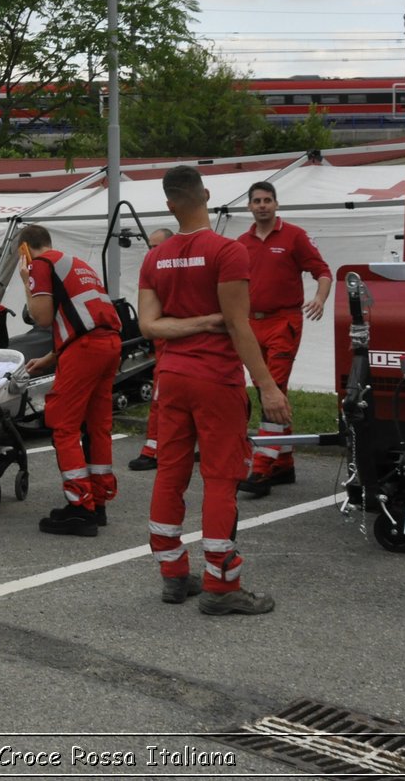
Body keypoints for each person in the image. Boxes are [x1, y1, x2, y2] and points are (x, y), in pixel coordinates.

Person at [138, 164, 292, 616]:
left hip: (172, 378)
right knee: (221, 479)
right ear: (205, 194)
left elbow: (150, 324)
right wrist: (268, 387)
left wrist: (186, 325)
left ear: (169, 204)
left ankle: (172, 574)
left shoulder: (155, 257)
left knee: (170, 471)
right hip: (215, 380)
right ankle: (222, 585)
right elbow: (238, 327)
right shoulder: (227, 251)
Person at [17, 223, 125, 536]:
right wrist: (51, 358)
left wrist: (27, 282)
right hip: (109, 344)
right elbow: (83, 318)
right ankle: (99, 501)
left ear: (25, 249)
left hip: (86, 349)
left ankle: (79, 506)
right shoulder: (75, 263)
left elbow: (42, 317)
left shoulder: (40, 264)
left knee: (63, 425)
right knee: (97, 424)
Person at [236, 180, 332, 497]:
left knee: (271, 389)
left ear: (276, 204)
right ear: (249, 206)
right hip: (251, 324)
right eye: (256, 201)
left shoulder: (294, 236)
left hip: (283, 322)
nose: (262, 205)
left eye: (267, 200)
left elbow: (322, 271)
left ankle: (262, 469)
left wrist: (319, 298)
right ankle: (284, 464)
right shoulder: (241, 243)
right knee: (274, 389)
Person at [127, 227, 175, 471]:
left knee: (161, 399)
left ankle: (153, 450)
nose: (151, 251)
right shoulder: (153, 271)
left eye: (156, 247)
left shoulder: (174, 272)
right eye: (149, 246)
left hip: (174, 347)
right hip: (162, 345)